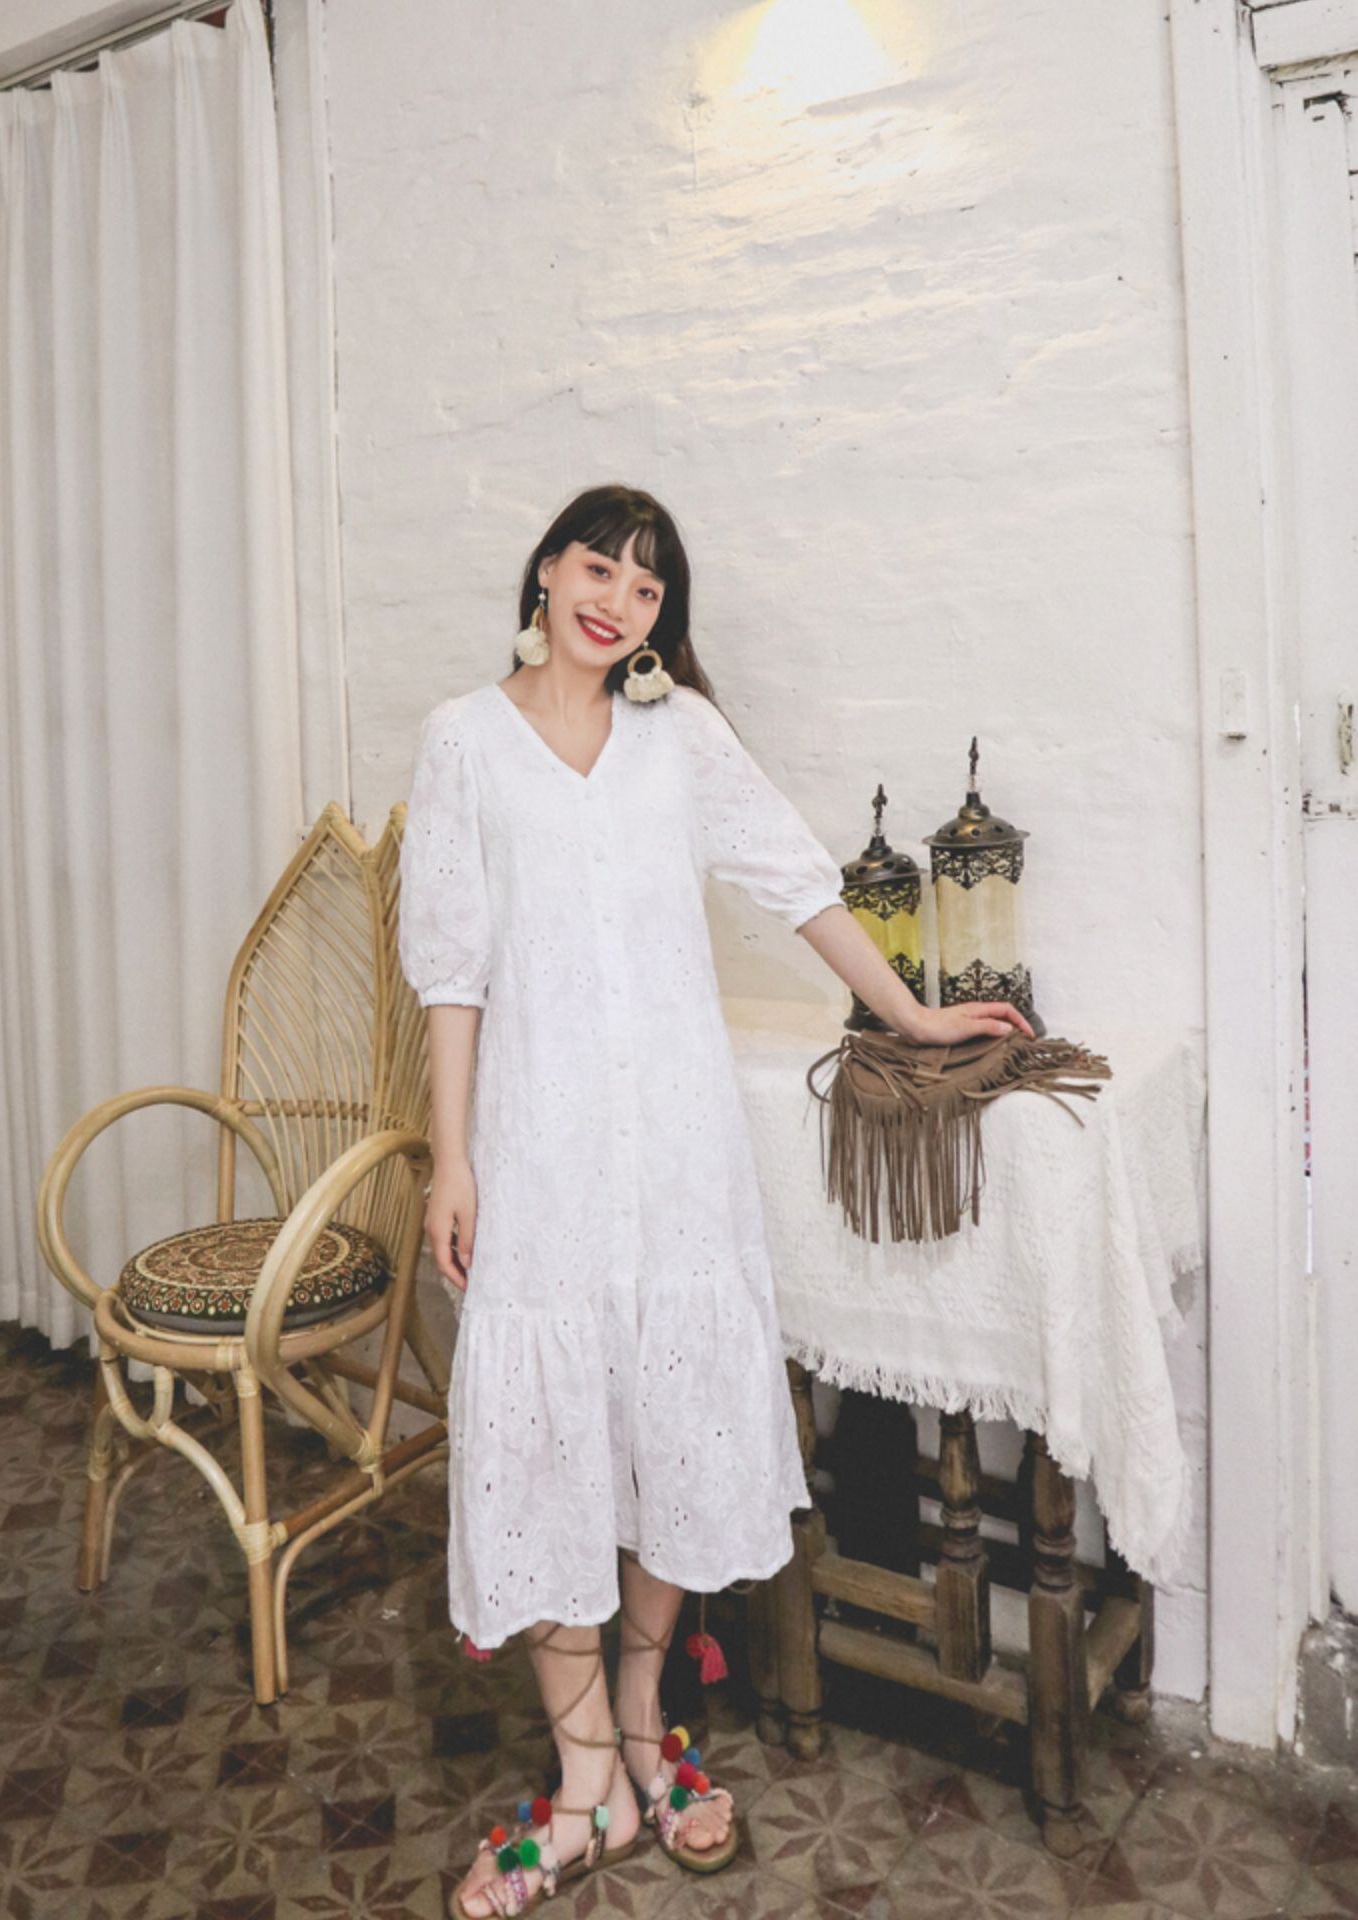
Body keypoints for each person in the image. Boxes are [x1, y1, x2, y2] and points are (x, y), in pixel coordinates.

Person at [397, 484, 1031, 1919]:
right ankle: (585, 1792)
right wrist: (453, 1158)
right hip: (541, 1151)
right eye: (597, 567)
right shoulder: (463, 742)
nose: (617, 600)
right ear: (546, 572)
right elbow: (452, 966)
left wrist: (912, 1016)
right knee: (550, 1451)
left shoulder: (677, 734)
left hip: (677, 1154)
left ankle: (638, 1730)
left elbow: (797, 880)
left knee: (667, 1438)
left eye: (648, 587)